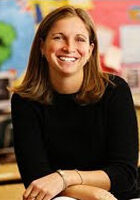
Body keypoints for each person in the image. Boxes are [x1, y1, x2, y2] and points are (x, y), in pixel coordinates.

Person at [10, 5, 139, 200]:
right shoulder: (24, 100)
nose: (69, 47)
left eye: (80, 39)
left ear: (90, 50)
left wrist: (64, 178)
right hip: (67, 197)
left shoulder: (115, 90)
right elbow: (36, 179)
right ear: (42, 46)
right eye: (58, 37)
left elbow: (125, 174)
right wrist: (94, 194)